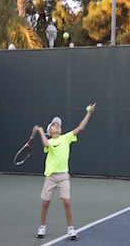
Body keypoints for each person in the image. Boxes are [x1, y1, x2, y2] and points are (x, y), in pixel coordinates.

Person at [32, 102, 97, 240]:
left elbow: (80, 127)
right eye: (54, 125)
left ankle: (70, 229)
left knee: (67, 202)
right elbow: (45, 143)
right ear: (49, 131)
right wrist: (39, 131)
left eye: (58, 125)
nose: (57, 125)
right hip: (50, 176)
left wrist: (89, 113)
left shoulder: (66, 138)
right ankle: (42, 227)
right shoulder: (49, 142)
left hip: (63, 176)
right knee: (45, 203)